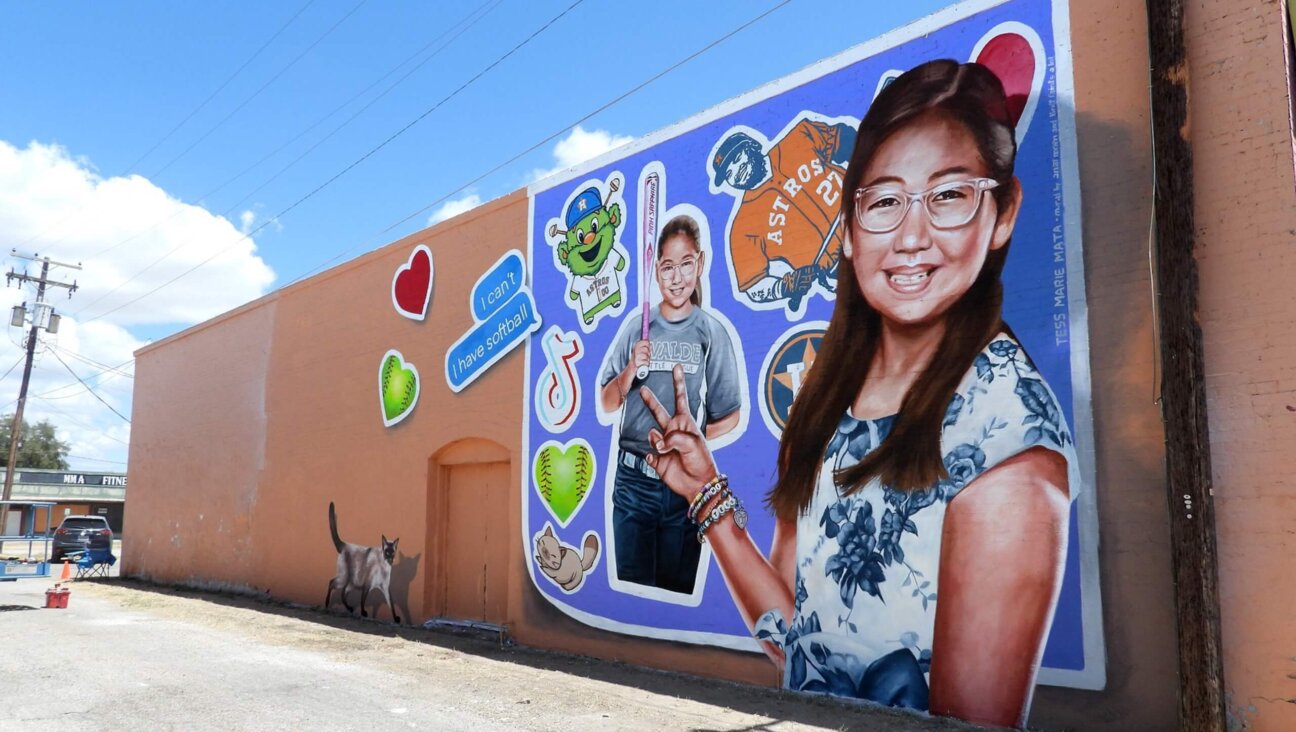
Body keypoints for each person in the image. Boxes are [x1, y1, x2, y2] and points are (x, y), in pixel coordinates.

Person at [637, 60, 1077, 728]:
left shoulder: (1004, 440)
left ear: (1003, 212)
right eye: (884, 201)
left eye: (950, 195)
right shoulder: (825, 406)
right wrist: (705, 495)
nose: (910, 236)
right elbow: (797, 640)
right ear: (847, 231)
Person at [599, 214, 743, 593]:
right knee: (633, 594)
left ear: (701, 263)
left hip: (684, 485)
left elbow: (729, 416)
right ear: (655, 271)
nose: (676, 277)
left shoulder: (711, 332)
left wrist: (688, 440)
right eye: (666, 267)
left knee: (674, 592)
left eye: (685, 264)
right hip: (633, 481)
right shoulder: (637, 327)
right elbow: (607, 400)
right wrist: (631, 367)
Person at [711, 118, 856, 312]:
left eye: (737, 159)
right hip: (837, 272)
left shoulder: (800, 136)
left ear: (752, 146)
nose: (737, 172)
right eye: (729, 173)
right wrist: (785, 286)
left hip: (865, 219)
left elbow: (847, 139)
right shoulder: (742, 229)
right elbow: (753, 286)